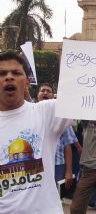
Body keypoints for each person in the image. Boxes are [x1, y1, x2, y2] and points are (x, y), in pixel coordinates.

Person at [0, 52, 72, 214]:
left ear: (27, 82)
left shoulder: (46, 112)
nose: (9, 77)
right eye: (2, 73)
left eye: (16, 73)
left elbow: (92, 95)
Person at [36, 83, 79, 192]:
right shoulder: (31, 113)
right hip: (36, 165)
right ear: (38, 95)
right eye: (43, 91)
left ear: (53, 96)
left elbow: (67, 145)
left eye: (48, 91)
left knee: (55, 194)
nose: (45, 93)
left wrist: (68, 171)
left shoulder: (61, 117)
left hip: (57, 164)